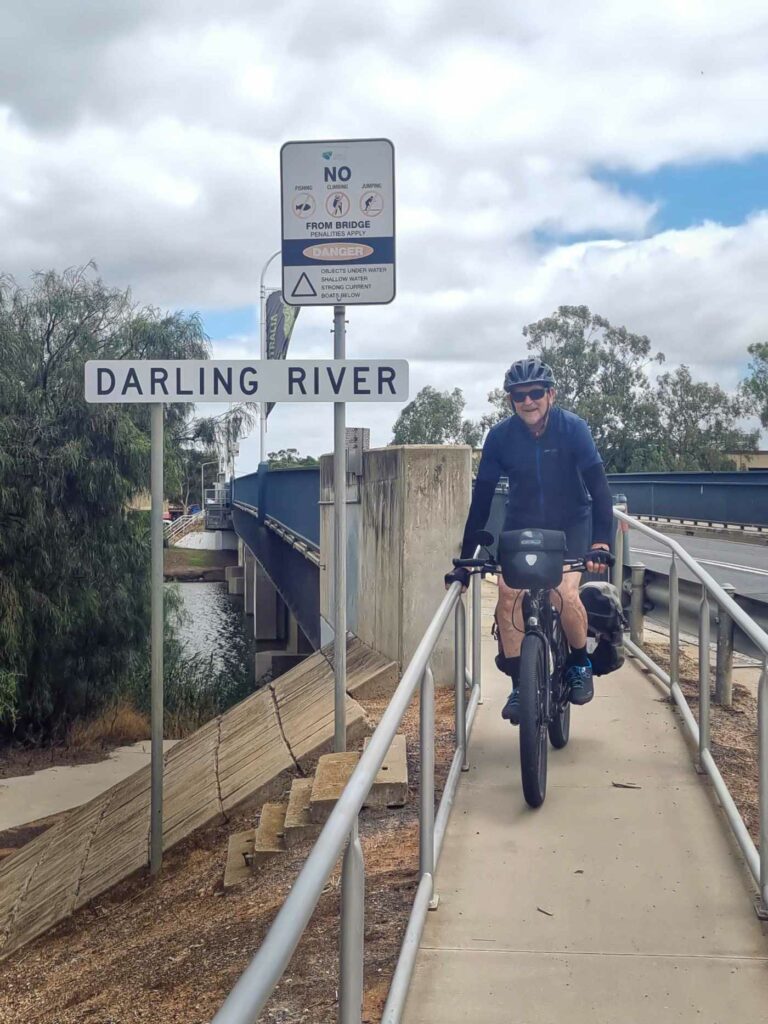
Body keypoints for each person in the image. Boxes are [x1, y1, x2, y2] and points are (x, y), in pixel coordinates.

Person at [445, 358, 614, 724]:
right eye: (519, 395)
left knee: (564, 594)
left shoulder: (574, 430)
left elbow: (600, 491)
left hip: (571, 525)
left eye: (536, 393)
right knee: (508, 596)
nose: (528, 401)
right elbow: (483, 499)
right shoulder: (500, 437)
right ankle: (522, 683)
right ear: (511, 401)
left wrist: (601, 542)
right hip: (522, 526)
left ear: (550, 394)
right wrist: (467, 557)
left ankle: (580, 662)